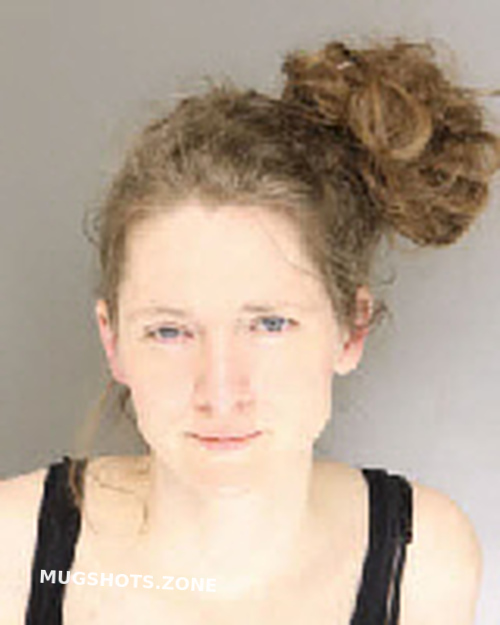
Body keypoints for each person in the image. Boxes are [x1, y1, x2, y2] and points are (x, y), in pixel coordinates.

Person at [1, 37, 498, 625]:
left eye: (269, 324)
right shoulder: (17, 558)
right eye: (169, 331)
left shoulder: (422, 563)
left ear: (351, 329)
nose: (220, 393)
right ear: (113, 341)